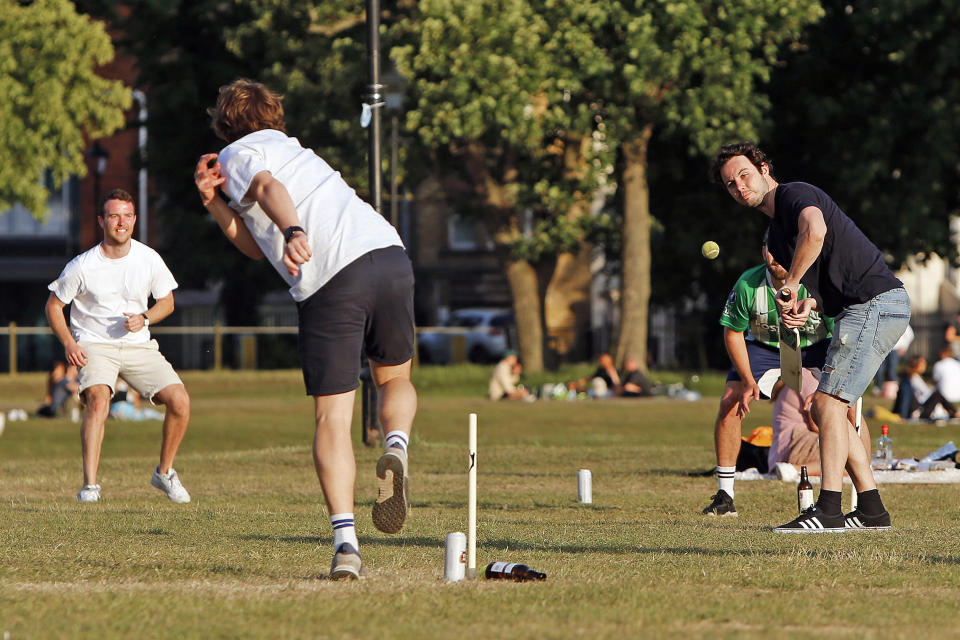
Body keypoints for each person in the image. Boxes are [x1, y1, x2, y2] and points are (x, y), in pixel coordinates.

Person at [194, 79, 417, 580]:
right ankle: (396, 447)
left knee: (331, 418)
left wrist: (295, 231)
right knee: (394, 377)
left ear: (224, 123)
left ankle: (346, 546)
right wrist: (215, 203)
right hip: (387, 253)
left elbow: (270, 191)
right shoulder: (297, 149)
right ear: (274, 114)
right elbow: (256, 245)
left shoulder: (236, 153)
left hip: (331, 277)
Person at [712, 141, 911, 533]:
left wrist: (794, 282)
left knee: (828, 403)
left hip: (876, 303)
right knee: (829, 406)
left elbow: (816, 231)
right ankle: (871, 509)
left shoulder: (793, 194)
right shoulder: (778, 233)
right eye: (730, 184)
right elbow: (826, 281)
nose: (739, 186)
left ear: (765, 168)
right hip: (858, 308)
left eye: (744, 175)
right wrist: (809, 305)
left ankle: (830, 509)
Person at [45, 188, 192, 504]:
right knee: (99, 401)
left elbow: (167, 301)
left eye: (127, 215)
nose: (121, 222)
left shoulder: (148, 258)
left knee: (180, 401)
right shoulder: (82, 265)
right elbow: (54, 306)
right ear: (102, 220)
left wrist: (145, 318)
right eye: (114, 215)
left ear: (135, 220)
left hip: (138, 345)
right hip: (95, 345)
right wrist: (70, 342)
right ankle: (90, 487)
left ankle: (164, 474)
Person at [701, 237, 832, 517]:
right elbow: (733, 332)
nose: (777, 257)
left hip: (816, 346)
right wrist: (748, 381)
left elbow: (841, 327)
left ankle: (861, 497)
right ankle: (725, 496)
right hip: (764, 347)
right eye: (771, 249)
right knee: (730, 400)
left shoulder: (819, 279)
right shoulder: (748, 283)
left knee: (848, 406)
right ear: (763, 252)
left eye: (784, 249)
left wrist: (834, 384)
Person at [769, 369, 872, 479]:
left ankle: (794, 469)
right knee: (852, 462)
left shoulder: (801, 374)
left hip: (784, 448)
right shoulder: (810, 378)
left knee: (852, 459)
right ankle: (794, 470)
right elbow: (818, 424)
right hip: (795, 444)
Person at [894, 355, 960, 421]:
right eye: (923, 364)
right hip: (918, 412)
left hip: (920, 407)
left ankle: (954, 412)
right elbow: (905, 398)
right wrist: (902, 415)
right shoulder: (911, 379)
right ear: (916, 365)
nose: (925, 366)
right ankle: (955, 413)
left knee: (937, 396)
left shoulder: (913, 377)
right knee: (937, 395)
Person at [873, 324, 913, 399]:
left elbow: (910, 335)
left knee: (891, 370)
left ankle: (891, 391)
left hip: (895, 349)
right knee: (879, 369)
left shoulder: (903, 321)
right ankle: (878, 388)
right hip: (883, 348)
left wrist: (904, 347)